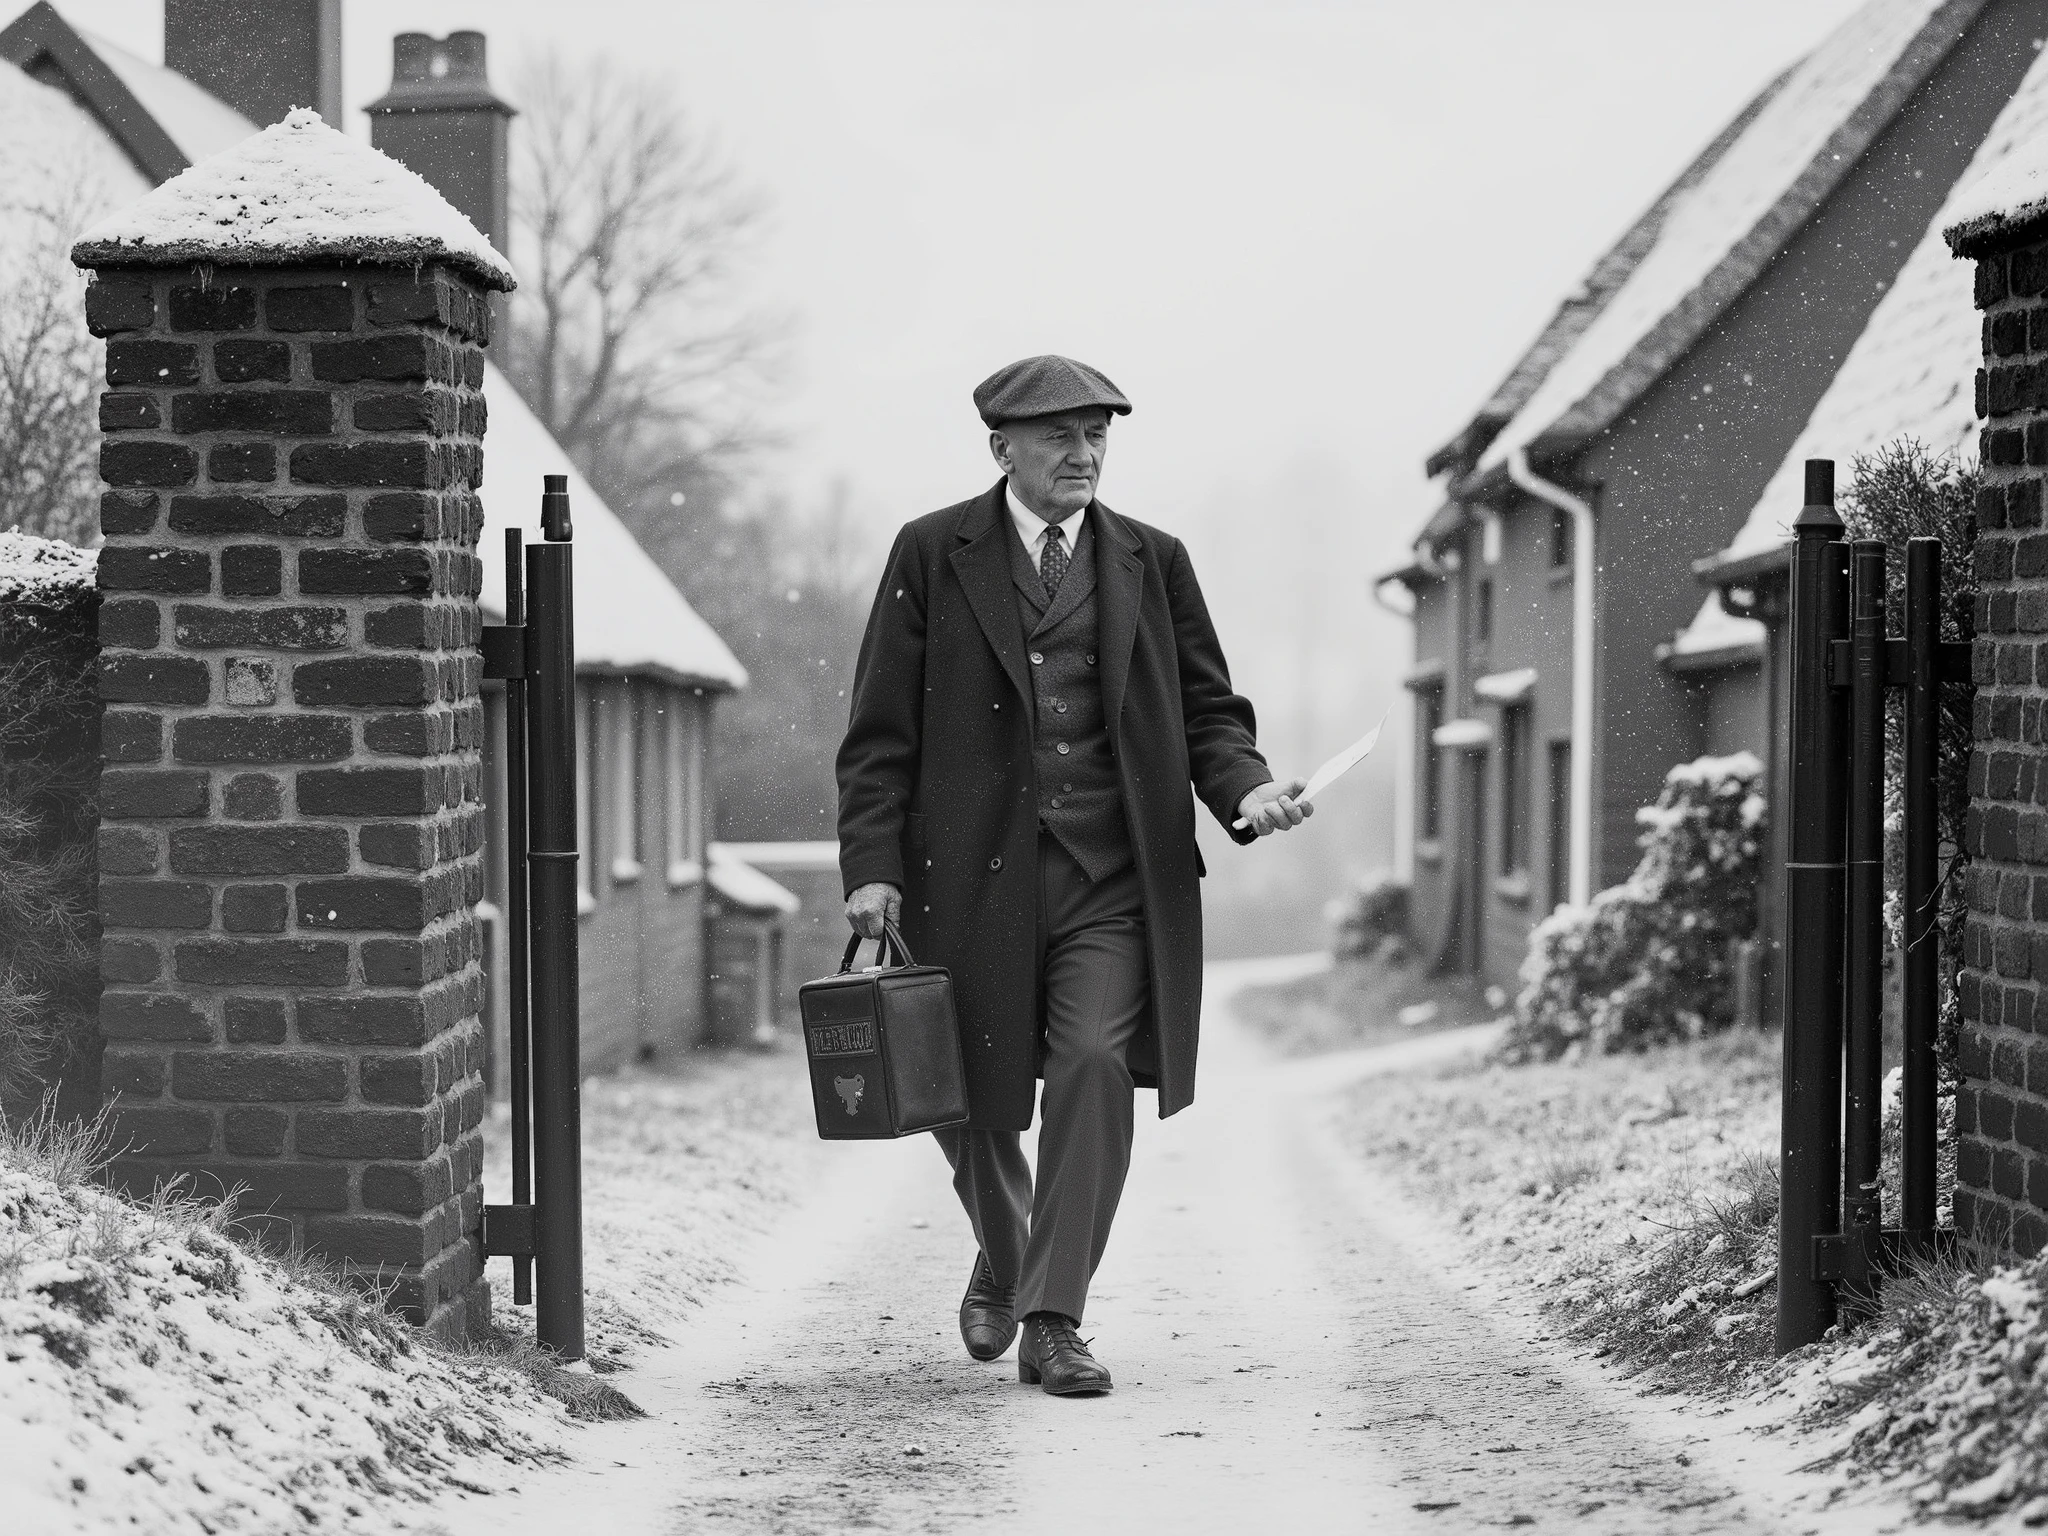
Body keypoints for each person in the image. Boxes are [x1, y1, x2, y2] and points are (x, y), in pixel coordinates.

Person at [836, 354, 1308, 1398]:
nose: (1082, 455)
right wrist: (870, 868)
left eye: (1096, 435)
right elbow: (878, 736)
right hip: (964, 881)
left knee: (1093, 1061)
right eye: (1058, 437)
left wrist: (1246, 790)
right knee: (965, 1101)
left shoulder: (1153, 559)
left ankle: (1050, 1318)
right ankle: (1012, 1256)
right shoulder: (930, 552)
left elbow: (1208, 713)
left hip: (1111, 875)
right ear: (1001, 447)